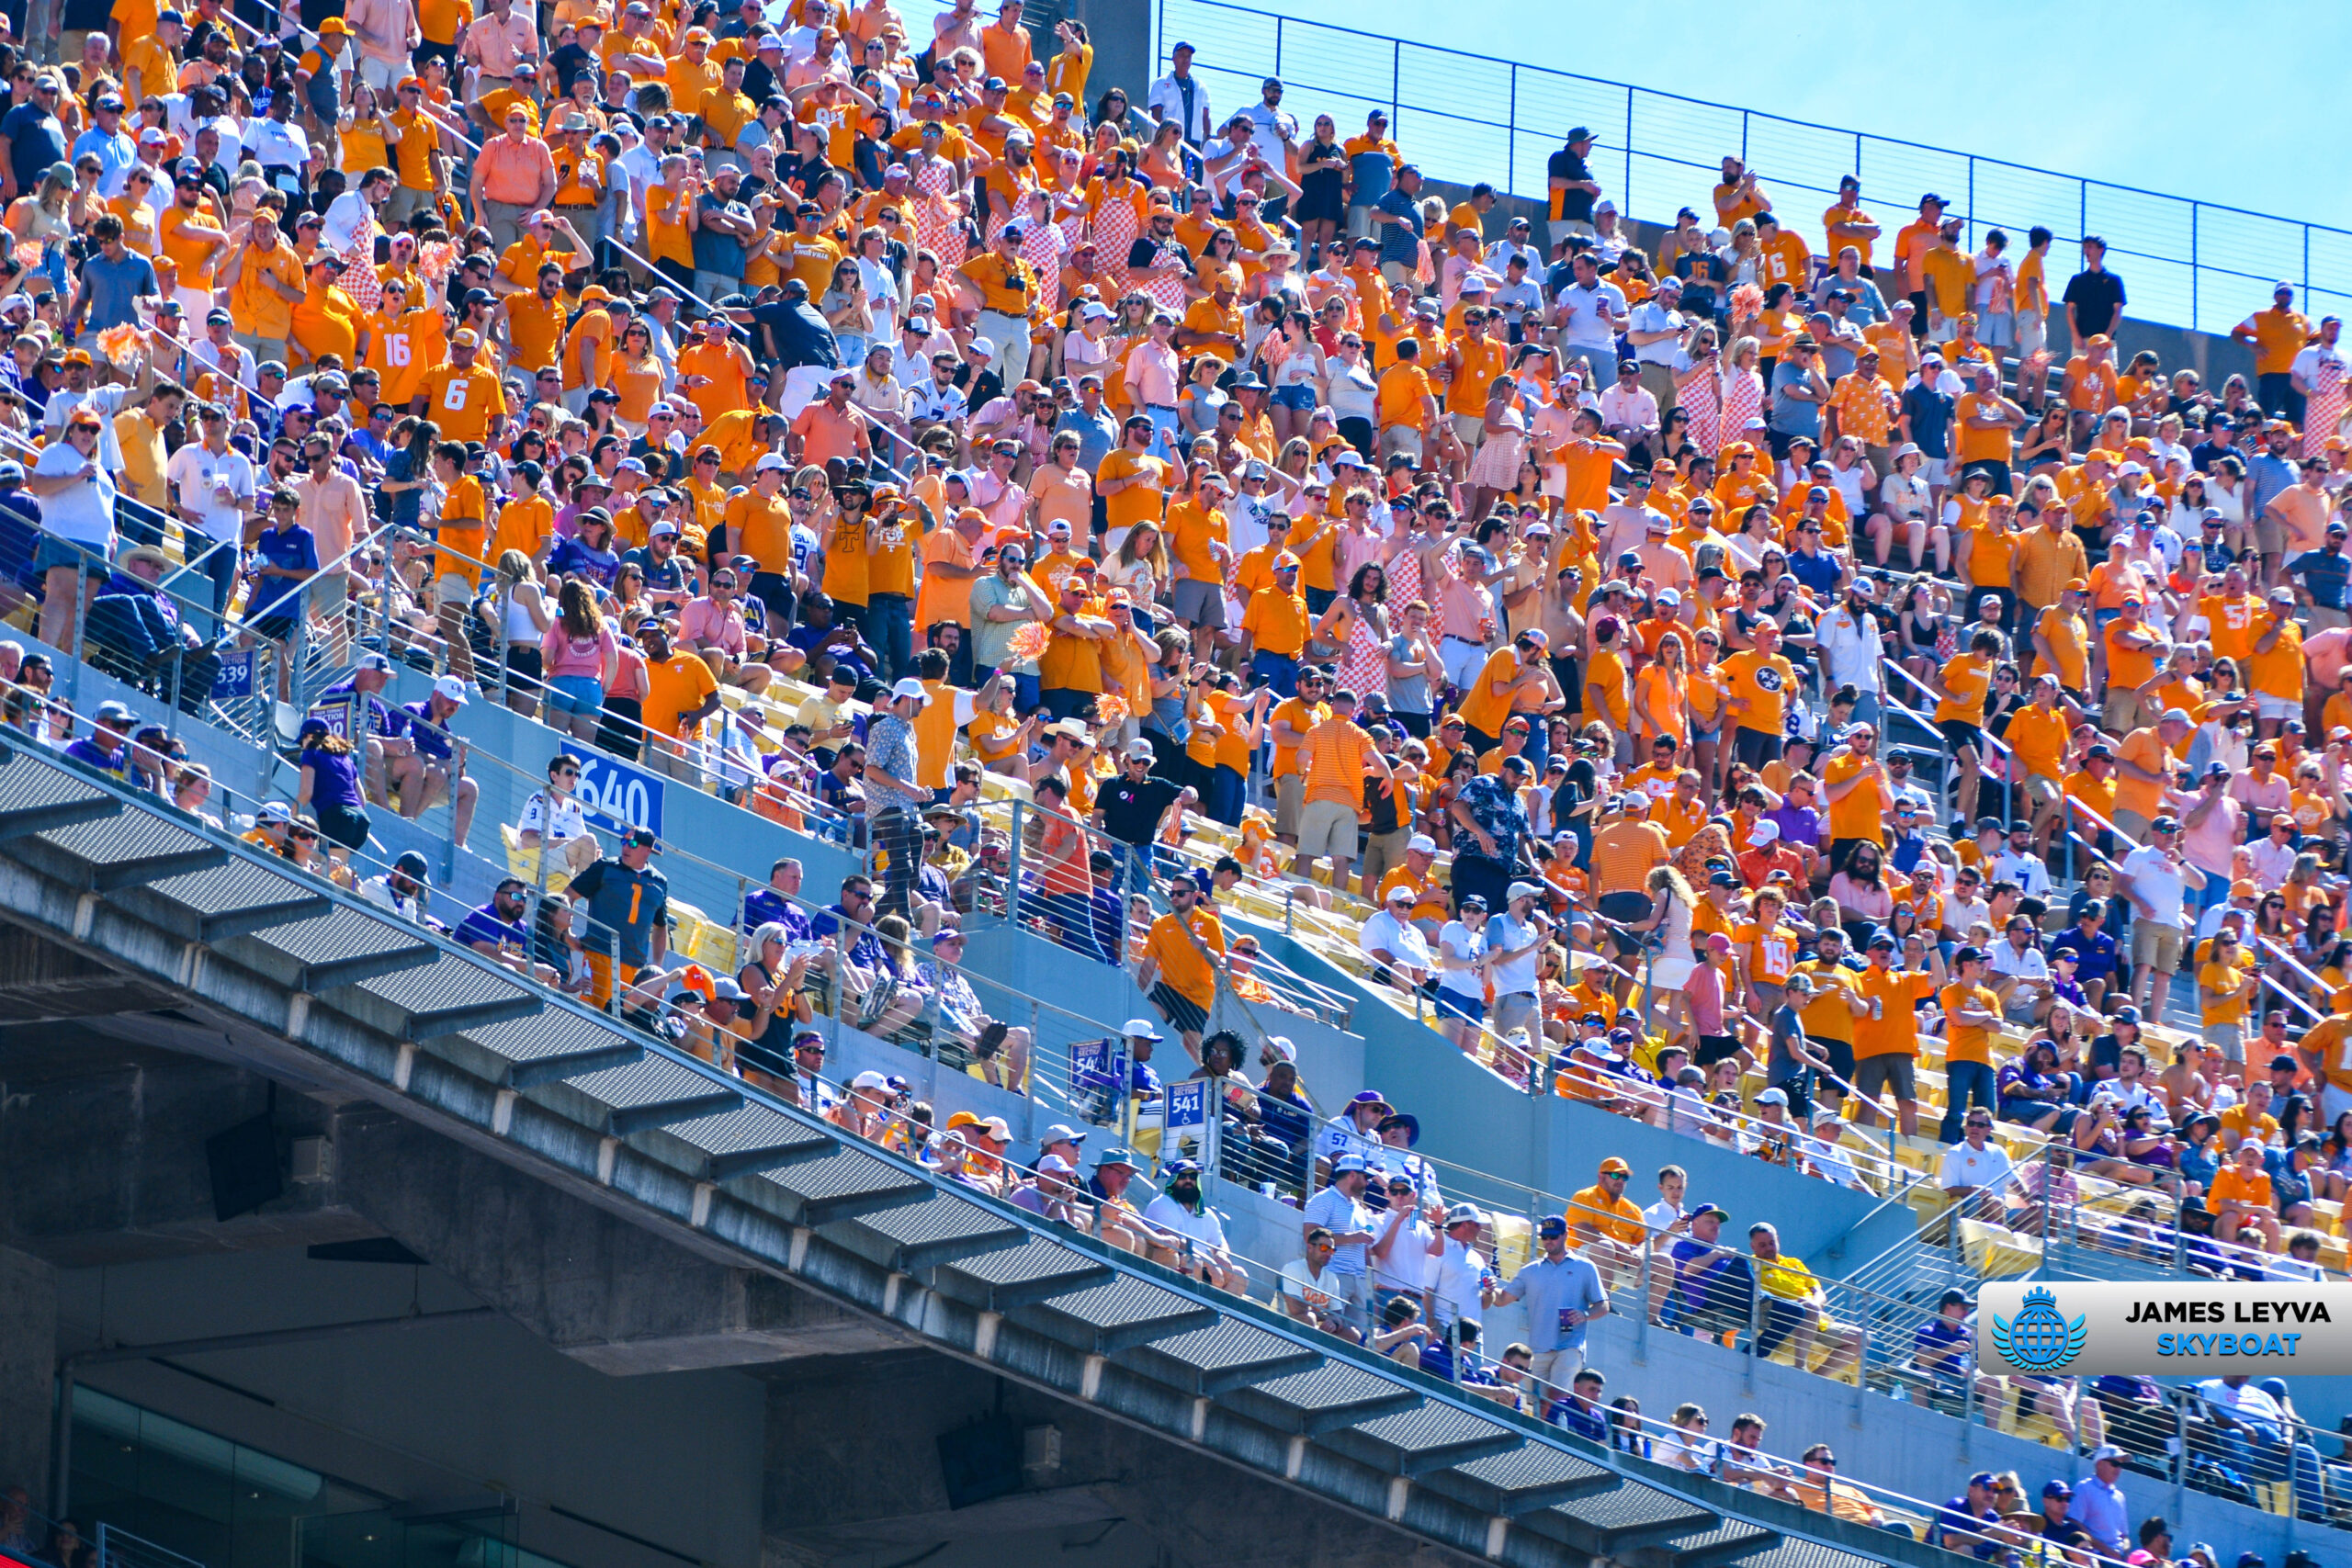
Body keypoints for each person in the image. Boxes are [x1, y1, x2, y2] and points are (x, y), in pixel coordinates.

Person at [1486, 1212, 1610, 1399]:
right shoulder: (1530, 1270)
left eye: (1553, 1236)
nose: (1548, 1241)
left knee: (1556, 1398)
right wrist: (1490, 1289)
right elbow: (1502, 1299)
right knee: (1536, 1403)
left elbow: (1603, 1305)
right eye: (1545, 1237)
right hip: (1538, 1349)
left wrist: (1584, 1315)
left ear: (1565, 1235)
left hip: (1570, 1345)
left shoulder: (1585, 1267)